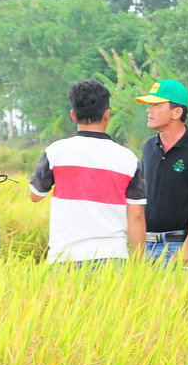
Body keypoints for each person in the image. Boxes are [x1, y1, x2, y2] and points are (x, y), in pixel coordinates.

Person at [30, 78, 146, 264]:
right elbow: (137, 214)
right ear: (107, 115)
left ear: (73, 115)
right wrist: (139, 261)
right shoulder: (128, 159)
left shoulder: (55, 152)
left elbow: (35, 195)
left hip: (65, 257)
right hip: (113, 257)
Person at [135, 79, 188, 264]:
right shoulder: (149, 147)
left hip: (176, 246)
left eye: (156, 105)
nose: (149, 110)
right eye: (149, 105)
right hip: (146, 246)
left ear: (177, 112)